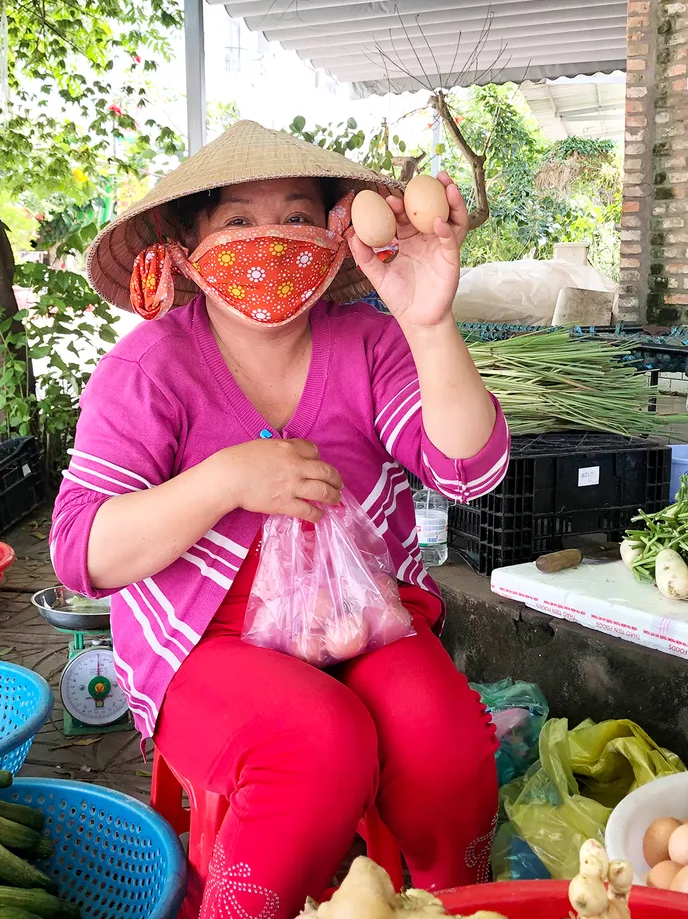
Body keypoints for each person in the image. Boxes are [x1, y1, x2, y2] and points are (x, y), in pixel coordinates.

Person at [51, 120, 510, 919]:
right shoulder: (150, 367)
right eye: (236, 221)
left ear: (336, 235)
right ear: (186, 247)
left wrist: (429, 322)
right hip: (204, 641)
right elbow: (80, 551)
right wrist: (225, 479)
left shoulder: (371, 343)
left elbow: (467, 469)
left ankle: (453, 902)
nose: (270, 240)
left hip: (358, 615)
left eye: (298, 216)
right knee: (316, 743)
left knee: (444, 746)